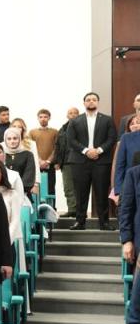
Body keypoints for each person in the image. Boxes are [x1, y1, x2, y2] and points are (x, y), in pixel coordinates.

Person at [65, 92, 117, 230]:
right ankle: (80, 222)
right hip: (79, 161)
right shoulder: (75, 121)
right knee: (80, 193)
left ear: (98, 102)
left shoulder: (107, 120)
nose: (91, 101)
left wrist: (98, 150)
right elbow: (71, 140)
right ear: (84, 103)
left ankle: (104, 223)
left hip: (101, 161)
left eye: (94, 99)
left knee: (101, 192)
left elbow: (112, 138)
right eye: (88, 100)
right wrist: (86, 151)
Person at [0, 159, 29, 274]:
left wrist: (4, 243)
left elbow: (15, 221)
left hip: (6, 244)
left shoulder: (12, 194)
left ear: (3, 173)